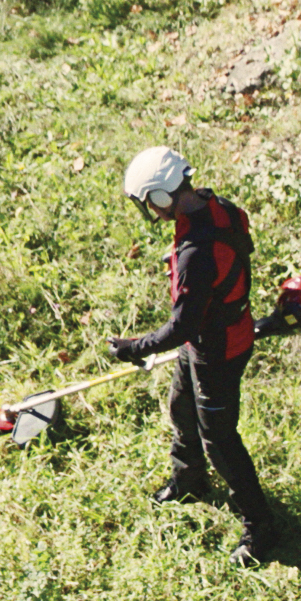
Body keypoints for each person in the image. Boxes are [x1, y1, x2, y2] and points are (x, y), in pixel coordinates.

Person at [105, 145, 279, 545]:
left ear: (163, 196)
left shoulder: (196, 255)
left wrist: (135, 347)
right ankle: (189, 481)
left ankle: (260, 527)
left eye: (150, 203)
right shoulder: (216, 205)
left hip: (219, 349)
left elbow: (181, 327)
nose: (153, 211)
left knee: (220, 440)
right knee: (182, 404)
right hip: (209, 336)